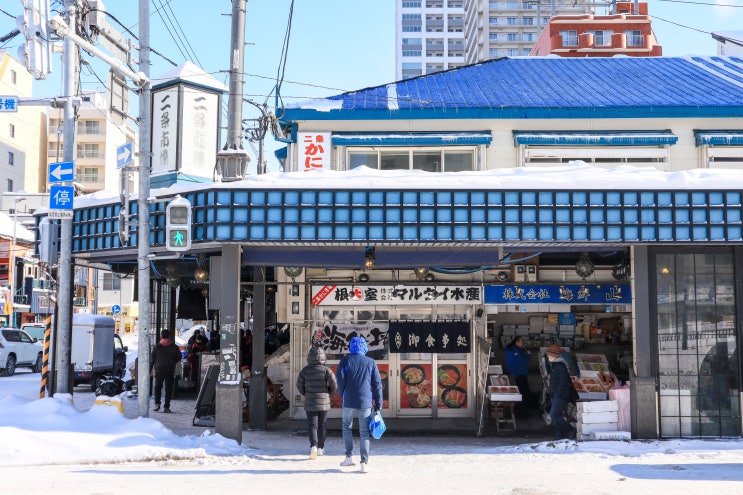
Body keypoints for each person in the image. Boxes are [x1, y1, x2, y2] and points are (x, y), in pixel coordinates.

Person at [335, 336, 383, 473]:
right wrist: (378, 405)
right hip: (365, 402)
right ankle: (364, 463)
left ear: (351, 347)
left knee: (346, 427)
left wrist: (343, 394)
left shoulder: (345, 361)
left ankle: (348, 457)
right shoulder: (371, 362)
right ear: (364, 347)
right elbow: (377, 385)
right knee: (365, 432)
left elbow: (340, 381)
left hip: (348, 400)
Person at [296, 346, 337, 460]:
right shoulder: (326, 370)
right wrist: (328, 393)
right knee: (322, 425)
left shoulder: (305, 370)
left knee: (312, 425)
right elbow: (334, 384)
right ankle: (321, 448)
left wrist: (306, 394)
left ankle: (313, 446)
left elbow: (299, 385)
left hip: (310, 401)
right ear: (324, 357)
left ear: (309, 357)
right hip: (324, 402)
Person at [546, 343, 575, 439]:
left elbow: (563, 381)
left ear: (553, 355)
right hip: (558, 394)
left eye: (548, 354)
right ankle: (559, 436)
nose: (547, 356)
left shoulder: (559, 366)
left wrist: (557, 394)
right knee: (558, 415)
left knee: (553, 415)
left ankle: (570, 429)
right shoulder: (556, 365)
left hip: (560, 395)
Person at [150, 329, 182, 413]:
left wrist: (150, 369)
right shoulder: (174, 347)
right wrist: (172, 362)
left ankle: (157, 405)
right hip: (169, 370)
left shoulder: (157, 346)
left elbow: (152, 359)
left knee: (157, 387)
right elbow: (179, 357)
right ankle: (166, 407)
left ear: (161, 336)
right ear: (169, 336)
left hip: (159, 370)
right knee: (168, 388)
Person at [504, 336, 533, 410]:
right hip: (517, 375)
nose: (523, 343)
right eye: (521, 342)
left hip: (523, 374)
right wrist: (515, 374)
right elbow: (509, 364)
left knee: (525, 393)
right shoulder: (511, 350)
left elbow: (526, 360)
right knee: (518, 394)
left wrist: (529, 354)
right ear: (516, 342)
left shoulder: (521, 350)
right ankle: (518, 411)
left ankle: (525, 410)